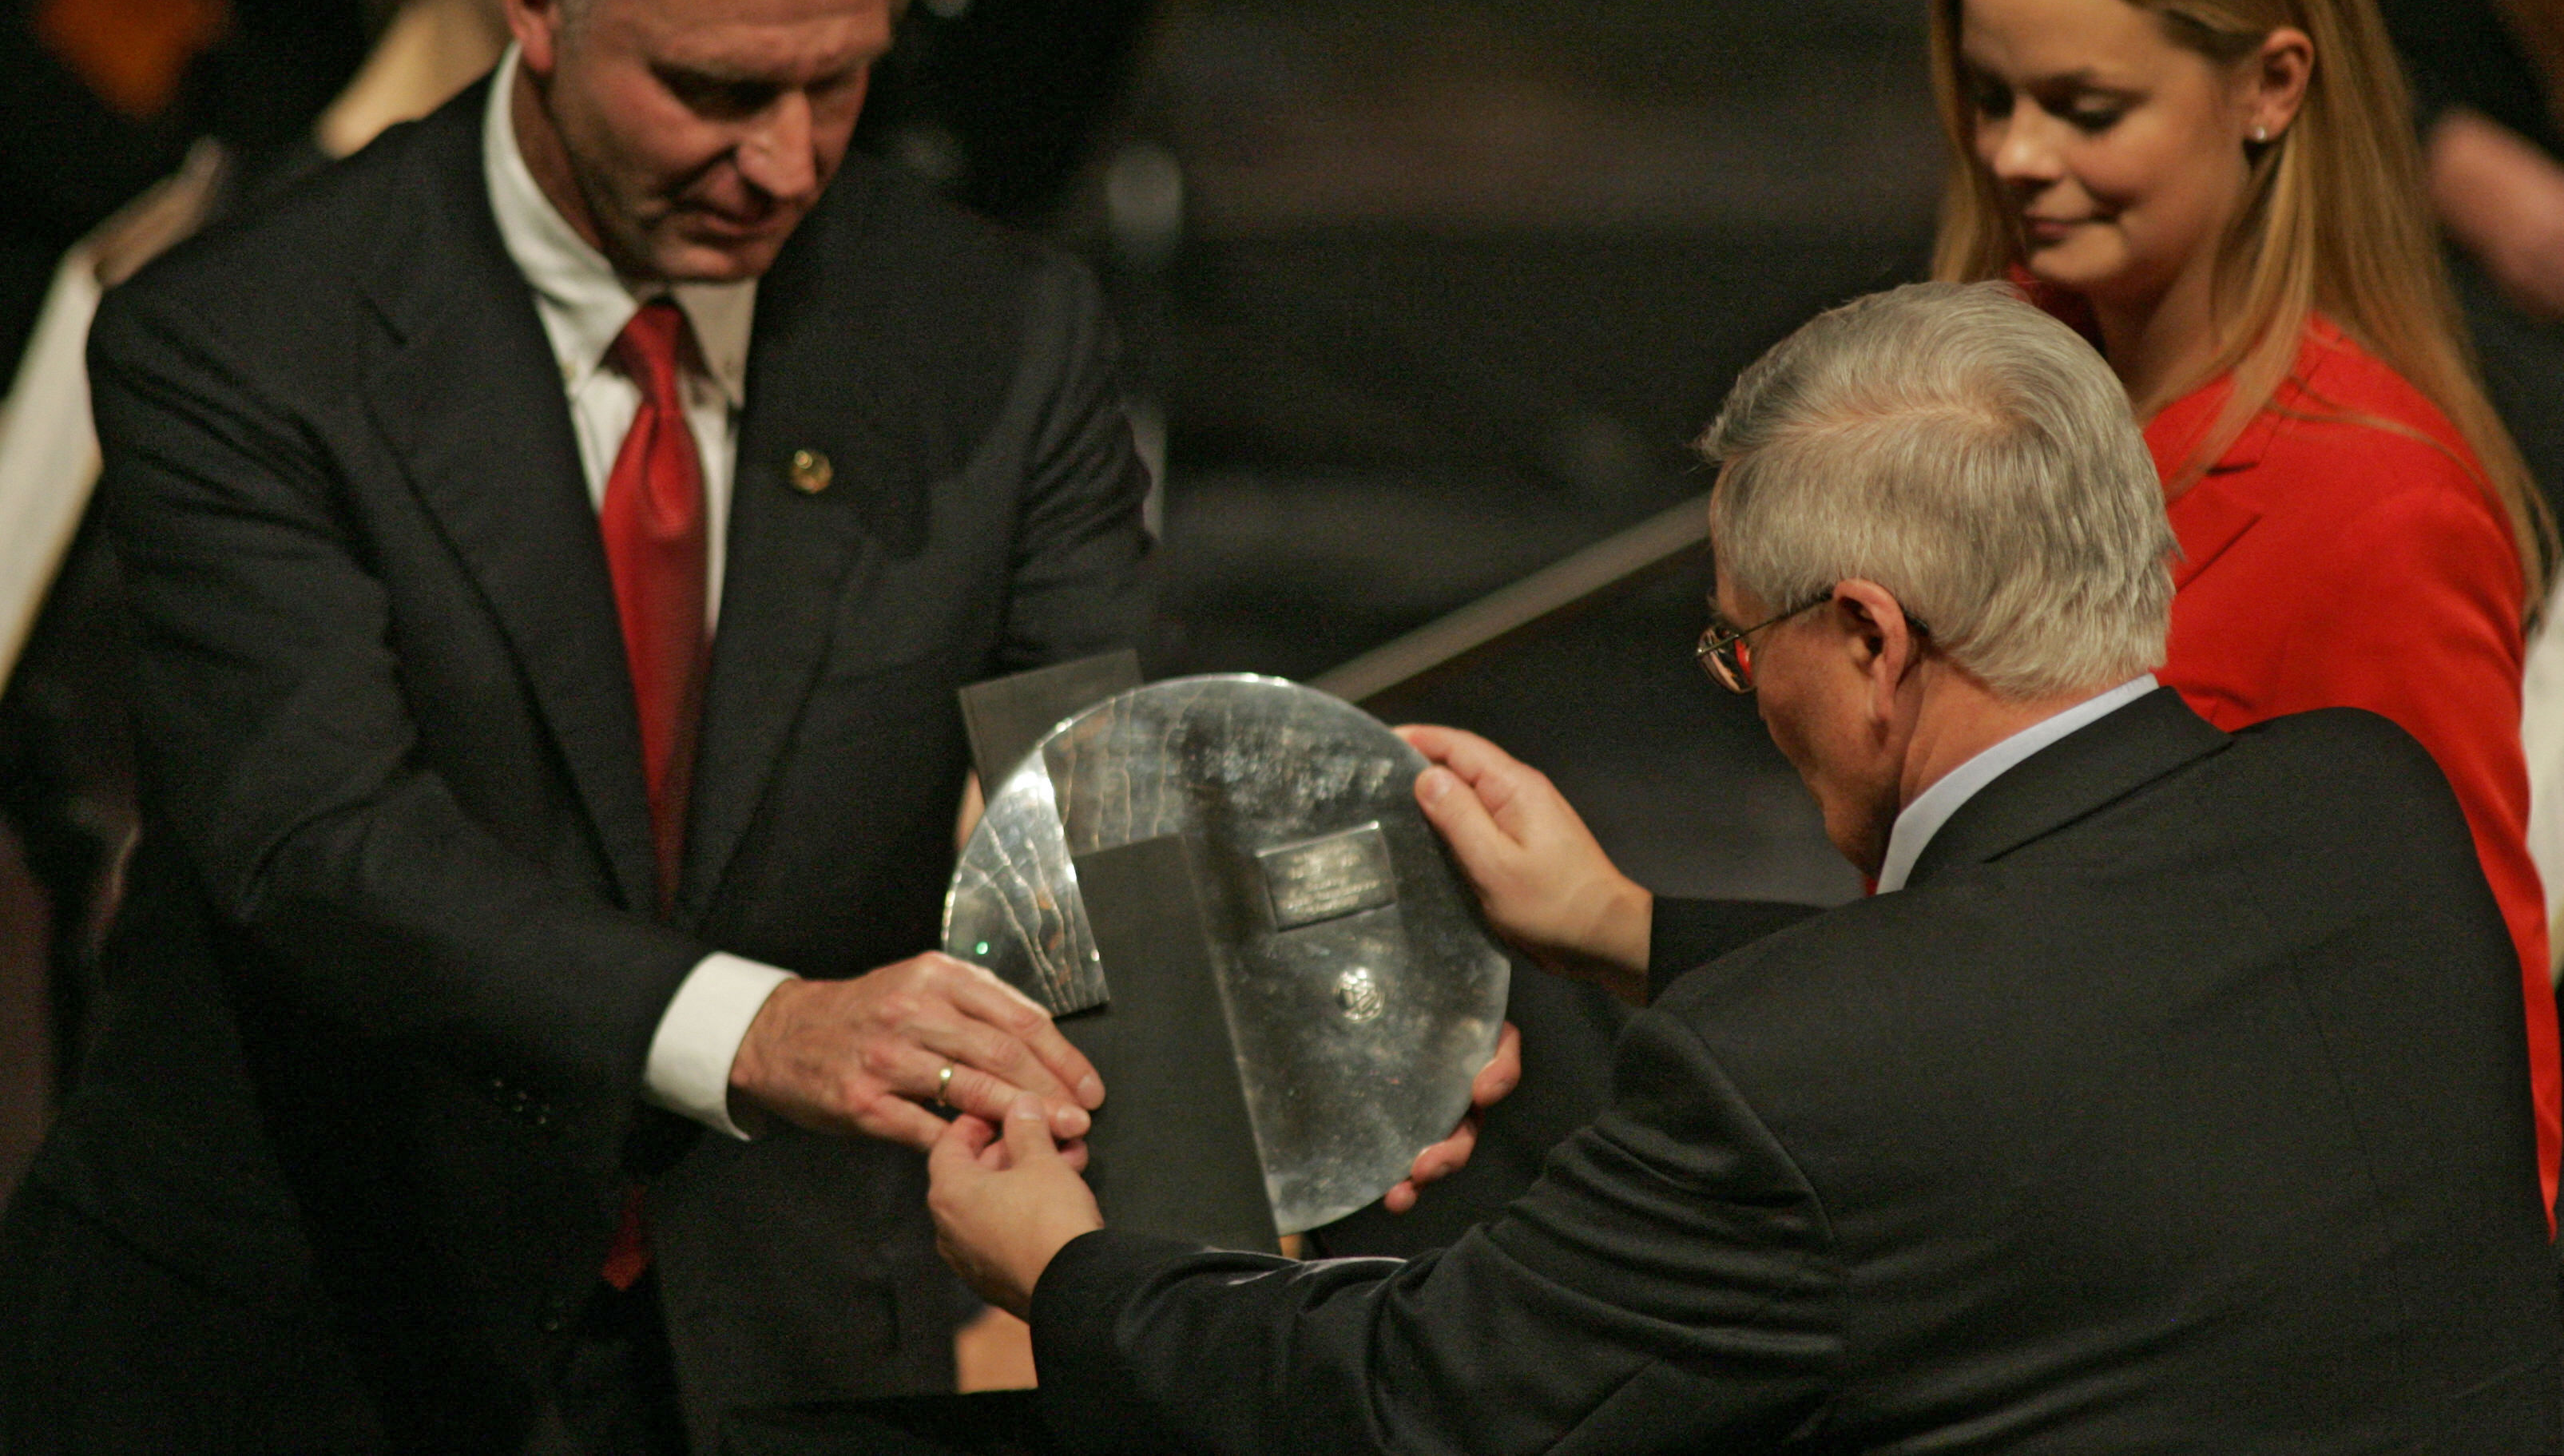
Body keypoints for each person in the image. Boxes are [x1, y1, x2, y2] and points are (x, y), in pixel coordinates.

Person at [0, 0, 1141, 1455]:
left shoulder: (1005, 332)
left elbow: (1080, 801)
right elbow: (324, 845)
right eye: (714, 88)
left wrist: (1289, 1054)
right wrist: (761, 1029)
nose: (787, 160)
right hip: (314, 1342)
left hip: (782, 1352)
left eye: (842, 79)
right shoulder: (240, 337)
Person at [928, 280, 2561, 1453]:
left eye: (1735, 642)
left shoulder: (1804, 1075)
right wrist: (1617, 926)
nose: (1743, 689)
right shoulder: (2370, 816)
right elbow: (2044, 1018)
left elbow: (1412, 1395)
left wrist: (1064, 1269)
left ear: (1866, 634)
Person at [1926, 0, 2564, 1216]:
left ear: (2270, 87)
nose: (2016, 154)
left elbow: (2463, 1037)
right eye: (1990, 96)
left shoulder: (2376, 510)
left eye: (2085, 107)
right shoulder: (1985, 396)